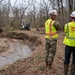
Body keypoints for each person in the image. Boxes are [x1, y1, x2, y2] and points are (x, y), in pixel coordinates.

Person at [63, 11, 75, 75]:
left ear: (71, 17)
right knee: (74, 60)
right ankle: (72, 73)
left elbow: (65, 32)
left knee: (66, 59)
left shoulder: (66, 25)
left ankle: (65, 73)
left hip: (68, 45)